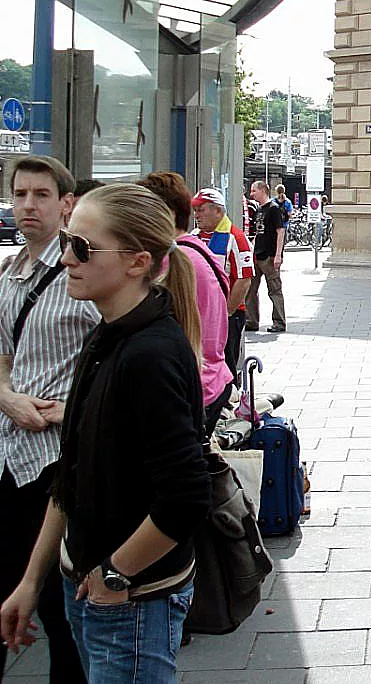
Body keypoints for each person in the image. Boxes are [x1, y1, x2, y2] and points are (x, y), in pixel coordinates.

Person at [0, 184, 211, 684]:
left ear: (138, 262)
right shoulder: (106, 333)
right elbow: (69, 472)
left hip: (130, 600)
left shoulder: (150, 353)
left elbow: (184, 497)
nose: (66, 258)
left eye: (81, 248)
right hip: (91, 584)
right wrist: (33, 579)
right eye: (66, 242)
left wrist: (116, 573)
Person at [0, 156, 95, 684]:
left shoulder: (79, 274)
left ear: (66, 204)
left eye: (40, 195)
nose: (27, 205)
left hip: (59, 460)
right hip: (9, 455)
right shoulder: (9, 273)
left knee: (63, 614)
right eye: (19, 194)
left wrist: (73, 408)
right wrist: (7, 397)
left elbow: (115, 356)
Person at [139, 173, 233, 438]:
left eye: (141, 212)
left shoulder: (174, 262)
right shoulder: (198, 250)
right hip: (212, 380)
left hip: (192, 389)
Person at [191, 188, 254, 382]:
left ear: (218, 211)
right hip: (198, 315)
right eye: (195, 210)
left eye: (201, 209)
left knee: (226, 366)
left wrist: (226, 312)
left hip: (227, 316)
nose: (196, 214)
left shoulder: (236, 237)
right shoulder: (194, 236)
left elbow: (244, 279)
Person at [246, 180, 286, 333]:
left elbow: (280, 231)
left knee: (274, 290)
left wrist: (277, 255)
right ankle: (251, 320)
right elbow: (257, 233)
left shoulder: (274, 209)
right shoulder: (259, 210)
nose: (251, 194)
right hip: (258, 255)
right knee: (250, 289)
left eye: (254, 191)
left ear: (262, 190)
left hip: (269, 256)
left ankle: (279, 322)